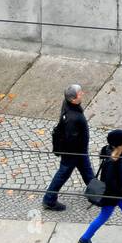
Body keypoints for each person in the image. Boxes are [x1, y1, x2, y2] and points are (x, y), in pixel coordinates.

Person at [43, 83, 94, 211]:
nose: (82, 94)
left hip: (79, 152)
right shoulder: (73, 118)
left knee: (87, 171)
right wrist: (78, 154)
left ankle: (95, 193)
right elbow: (71, 139)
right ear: (73, 99)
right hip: (74, 153)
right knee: (63, 174)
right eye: (79, 93)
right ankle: (49, 199)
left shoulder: (68, 104)